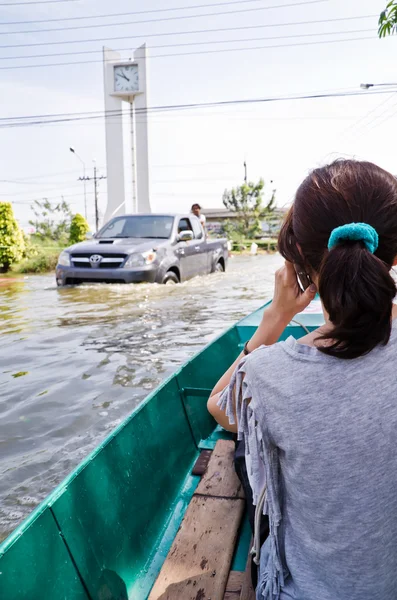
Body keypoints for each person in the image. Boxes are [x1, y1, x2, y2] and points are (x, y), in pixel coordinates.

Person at [207, 159, 397, 600]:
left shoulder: (269, 374)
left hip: (303, 592)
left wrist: (276, 315)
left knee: (248, 450)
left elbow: (220, 407)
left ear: (297, 262)